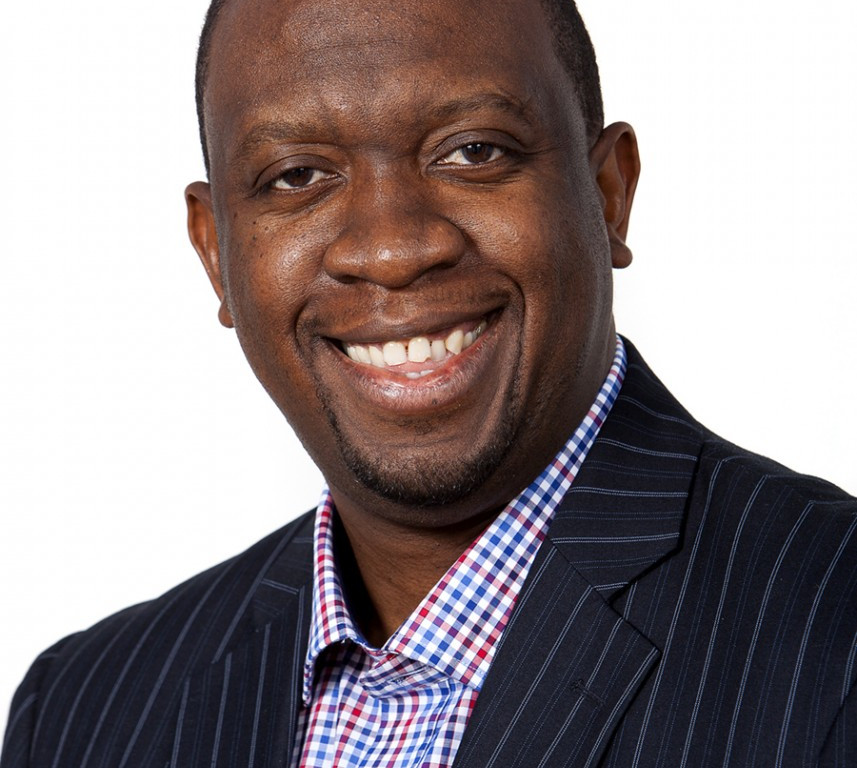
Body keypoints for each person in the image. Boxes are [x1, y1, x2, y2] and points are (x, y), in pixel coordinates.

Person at [2, 0, 854, 765]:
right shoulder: (82, 713)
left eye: (472, 152)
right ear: (215, 252)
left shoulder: (833, 627)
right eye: (296, 176)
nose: (391, 249)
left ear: (607, 194)